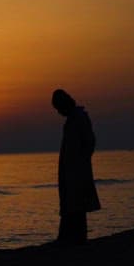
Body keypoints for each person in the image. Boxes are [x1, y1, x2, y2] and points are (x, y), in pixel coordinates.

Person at [52, 89, 101, 245]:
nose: (58, 112)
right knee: (71, 203)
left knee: (76, 204)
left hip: (77, 169)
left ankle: (76, 238)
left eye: (59, 108)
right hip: (71, 169)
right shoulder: (73, 119)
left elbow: (89, 142)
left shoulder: (79, 118)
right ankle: (70, 236)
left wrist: (81, 161)